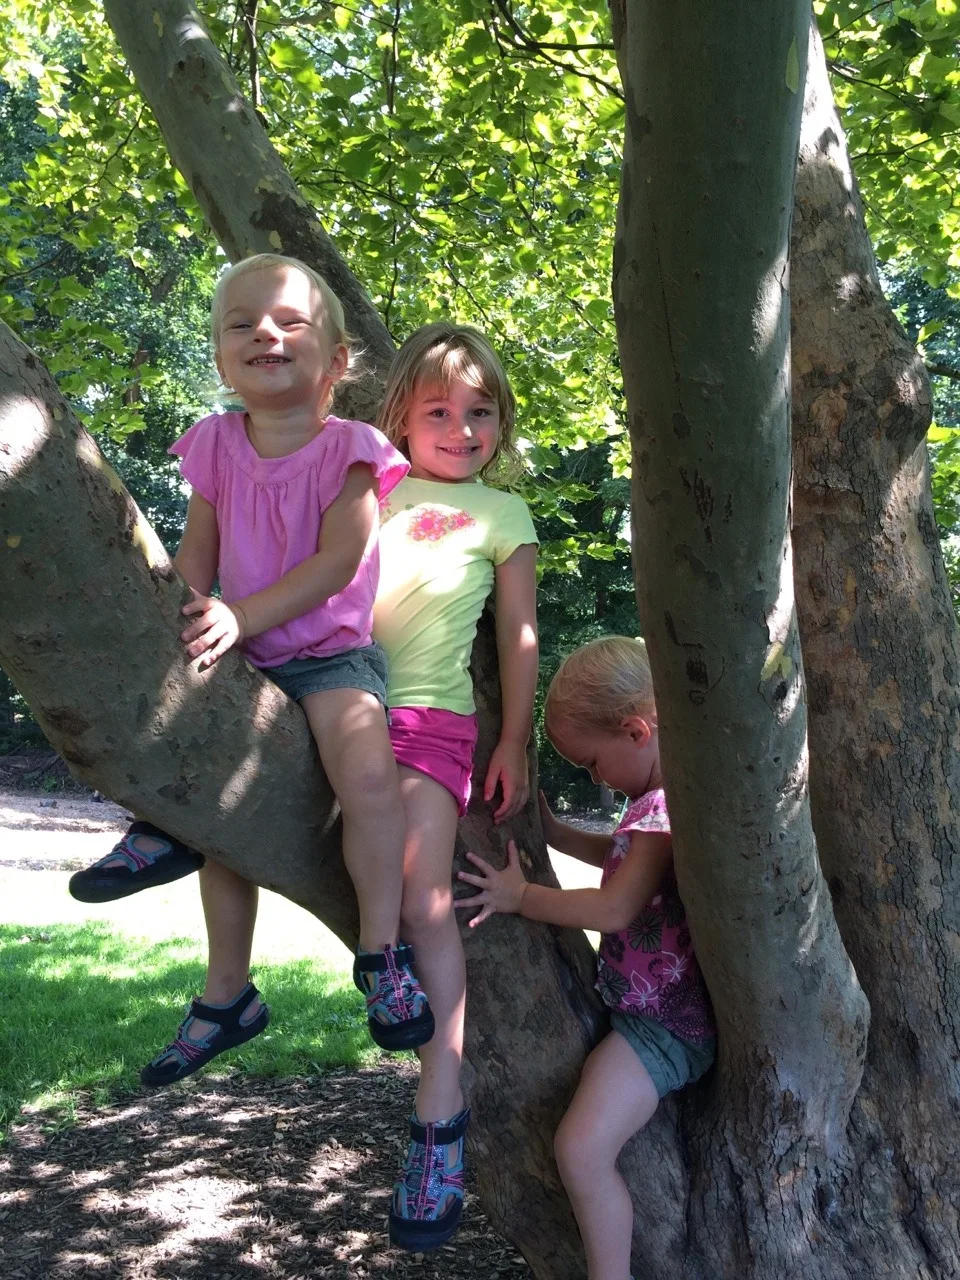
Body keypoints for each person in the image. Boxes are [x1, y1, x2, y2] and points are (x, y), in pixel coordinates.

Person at [70, 319, 540, 1254]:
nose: (463, 427)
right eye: (440, 410)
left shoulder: (501, 515)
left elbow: (519, 636)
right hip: (312, 686)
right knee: (225, 825)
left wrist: (517, 739)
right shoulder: (363, 474)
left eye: (481, 412)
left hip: (427, 722)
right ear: (399, 416)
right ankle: (223, 988)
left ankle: (438, 1112)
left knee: (424, 897)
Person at [70, 252, 434, 1066]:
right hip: (236, 655)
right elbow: (197, 556)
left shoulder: (354, 449)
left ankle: (383, 955)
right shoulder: (215, 445)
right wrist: (183, 625)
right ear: (221, 356)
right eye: (242, 324)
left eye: (289, 322)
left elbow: (337, 565)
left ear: (336, 360)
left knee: (368, 773)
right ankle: (224, 988)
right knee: (220, 813)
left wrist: (241, 615)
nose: (264, 333)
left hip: (328, 657)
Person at [455, 636, 715, 1280]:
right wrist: (555, 832)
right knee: (581, 1144)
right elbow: (624, 859)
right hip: (651, 1019)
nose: (593, 778)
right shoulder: (657, 804)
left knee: (580, 1147)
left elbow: (614, 909)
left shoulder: (664, 809)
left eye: (593, 764)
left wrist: (521, 896)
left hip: (664, 1031)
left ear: (636, 729)